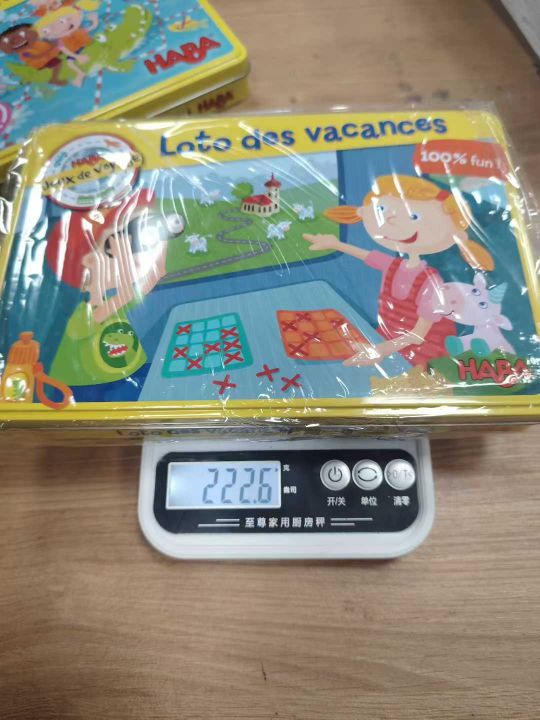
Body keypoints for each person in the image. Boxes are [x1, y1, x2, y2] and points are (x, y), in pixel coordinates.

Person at [304, 174, 494, 368]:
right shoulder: (393, 265)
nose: (391, 219)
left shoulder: (431, 282)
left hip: (425, 354)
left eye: (414, 216)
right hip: (389, 340)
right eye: (382, 209)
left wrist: (381, 350)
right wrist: (335, 244)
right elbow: (368, 256)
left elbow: (418, 335)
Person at [34, 5, 98, 87]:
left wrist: (94, 19)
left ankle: (81, 73)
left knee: (71, 61)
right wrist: (77, 56)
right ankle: (80, 73)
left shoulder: (78, 31)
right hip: (75, 51)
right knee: (69, 63)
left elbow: (92, 27)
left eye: (62, 21)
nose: (58, 28)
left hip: (85, 45)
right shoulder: (60, 41)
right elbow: (65, 50)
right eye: (46, 31)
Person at [0, 23, 65, 86]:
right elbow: (35, 57)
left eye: (22, 34)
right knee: (57, 63)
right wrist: (50, 49)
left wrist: (51, 46)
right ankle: (53, 79)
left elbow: (46, 46)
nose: (17, 41)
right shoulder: (24, 53)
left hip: (48, 57)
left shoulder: (37, 43)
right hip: (40, 63)